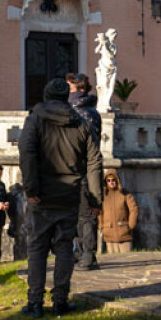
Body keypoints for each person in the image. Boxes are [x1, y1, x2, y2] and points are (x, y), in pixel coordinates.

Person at [18, 77, 103, 317]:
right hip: (69, 192)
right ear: (66, 96)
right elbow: (95, 162)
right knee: (64, 245)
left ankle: (35, 302)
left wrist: (31, 189)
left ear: (46, 95)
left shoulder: (35, 120)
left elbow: (27, 153)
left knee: (37, 246)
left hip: (42, 194)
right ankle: (60, 300)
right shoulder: (81, 122)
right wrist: (96, 199)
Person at [66, 73, 103, 270]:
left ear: (80, 90)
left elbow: (91, 152)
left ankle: (88, 256)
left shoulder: (85, 113)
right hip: (71, 173)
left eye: (70, 88)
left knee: (86, 216)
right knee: (74, 217)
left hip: (84, 173)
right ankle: (79, 253)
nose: (67, 92)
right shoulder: (74, 110)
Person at [98, 169, 138, 255]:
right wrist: (101, 227)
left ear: (117, 180)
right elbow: (99, 212)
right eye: (108, 180)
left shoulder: (125, 194)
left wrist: (131, 225)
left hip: (124, 233)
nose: (111, 182)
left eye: (113, 180)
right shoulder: (103, 195)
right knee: (114, 261)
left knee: (129, 260)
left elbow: (134, 209)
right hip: (109, 233)